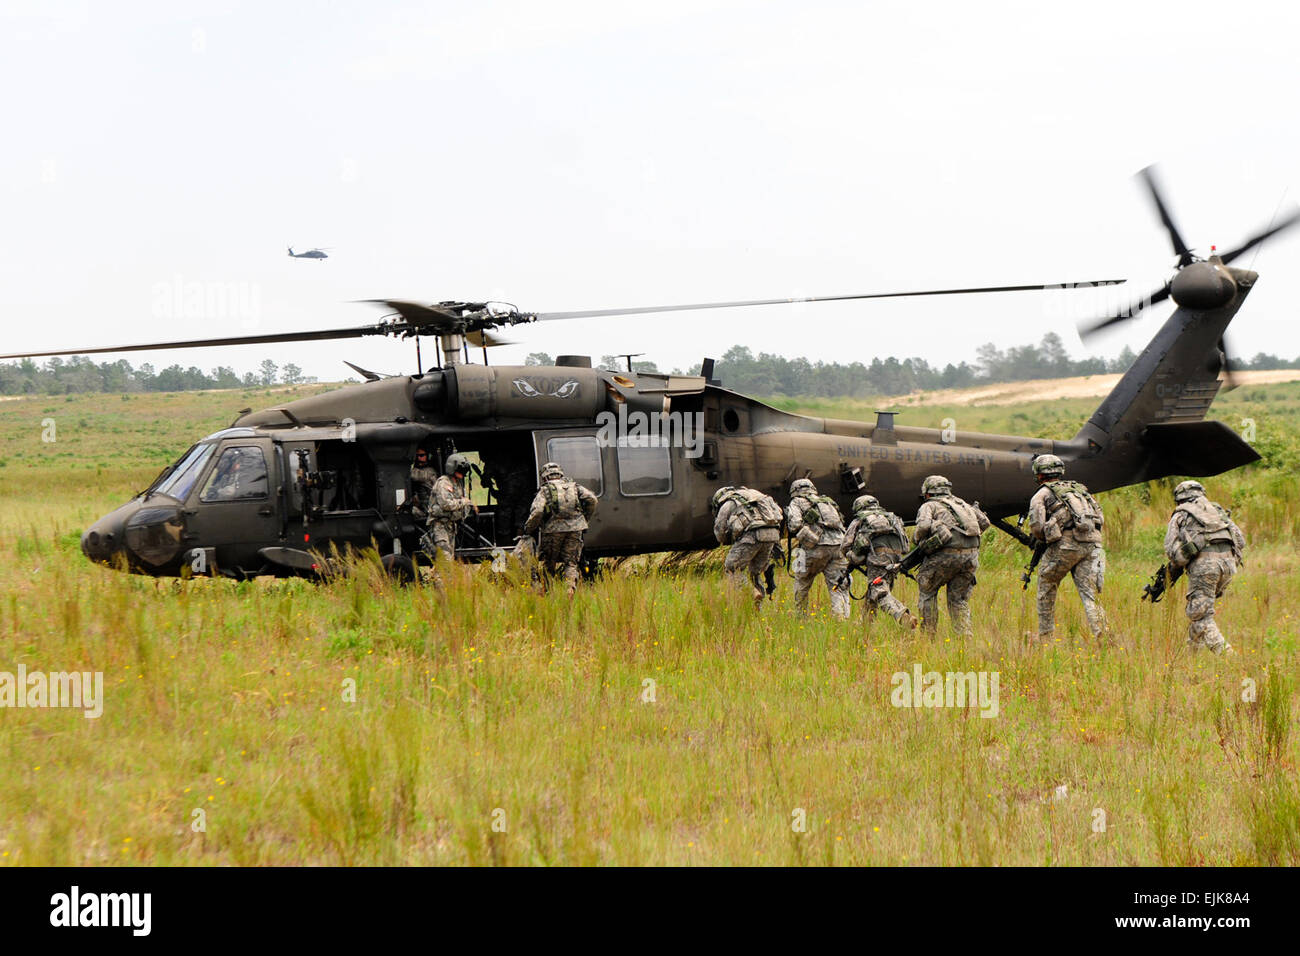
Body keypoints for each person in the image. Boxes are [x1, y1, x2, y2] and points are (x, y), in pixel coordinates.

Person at [1027, 454, 1107, 641]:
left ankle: (1045, 637)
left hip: (1065, 546)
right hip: (1093, 544)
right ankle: (1103, 635)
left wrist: (1047, 537)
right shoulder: (1081, 491)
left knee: (1046, 585)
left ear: (1039, 474)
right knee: (1090, 593)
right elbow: (1100, 518)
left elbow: (1037, 528)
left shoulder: (1042, 494)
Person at [1164, 480, 1245, 655]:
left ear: (1179, 499)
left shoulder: (1181, 514)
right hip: (1229, 565)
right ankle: (1192, 657)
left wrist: (1183, 558)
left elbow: (1171, 550)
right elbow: (1241, 540)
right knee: (1200, 611)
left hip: (1205, 567)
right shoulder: (1217, 511)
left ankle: (1229, 656)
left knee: (1200, 616)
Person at [913, 474, 989, 635]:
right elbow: (985, 523)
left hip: (945, 556)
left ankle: (928, 636)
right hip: (971, 557)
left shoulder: (930, 505)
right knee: (959, 599)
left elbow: (923, 527)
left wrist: (917, 540)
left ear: (927, 493)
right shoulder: (963, 504)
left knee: (927, 592)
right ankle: (964, 638)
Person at [841, 494, 917, 629]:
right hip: (896, 559)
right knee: (874, 592)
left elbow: (845, 546)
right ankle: (865, 626)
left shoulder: (860, 519)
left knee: (879, 592)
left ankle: (903, 616)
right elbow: (906, 546)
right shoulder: (893, 518)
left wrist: (854, 557)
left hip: (877, 560)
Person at [523, 461, 598, 596]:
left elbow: (538, 511)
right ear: (560, 474)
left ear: (545, 477)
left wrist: (528, 528)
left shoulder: (545, 490)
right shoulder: (575, 486)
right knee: (571, 563)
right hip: (575, 530)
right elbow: (592, 499)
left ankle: (547, 592)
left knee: (549, 563)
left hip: (552, 531)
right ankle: (569, 591)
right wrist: (584, 519)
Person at [785, 478, 850, 620]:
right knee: (838, 585)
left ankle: (801, 618)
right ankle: (841, 618)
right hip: (838, 546)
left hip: (813, 548)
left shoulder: (796, 502)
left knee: (802, 582)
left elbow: (795, 524)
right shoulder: (827, 501)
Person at [711, 485, 783, 608]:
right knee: (755, 573)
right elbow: (779, 512)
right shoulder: (757, 494)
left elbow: (720, 532)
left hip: (752, 535)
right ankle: (757, 608)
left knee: (732, 568)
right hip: (772, 535)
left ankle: (751, 593)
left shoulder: (728, 503)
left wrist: (729, 539)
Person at [416, 452, 476, 562]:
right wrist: (464, 502)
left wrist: (468, 506)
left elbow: (464, 502)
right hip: (440, 527)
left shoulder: (457, 484)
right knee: (445, 562)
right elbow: (446, 504)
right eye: (461, 469)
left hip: (451, 527)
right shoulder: (443, 483)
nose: (463, 472)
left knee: (448, 560)